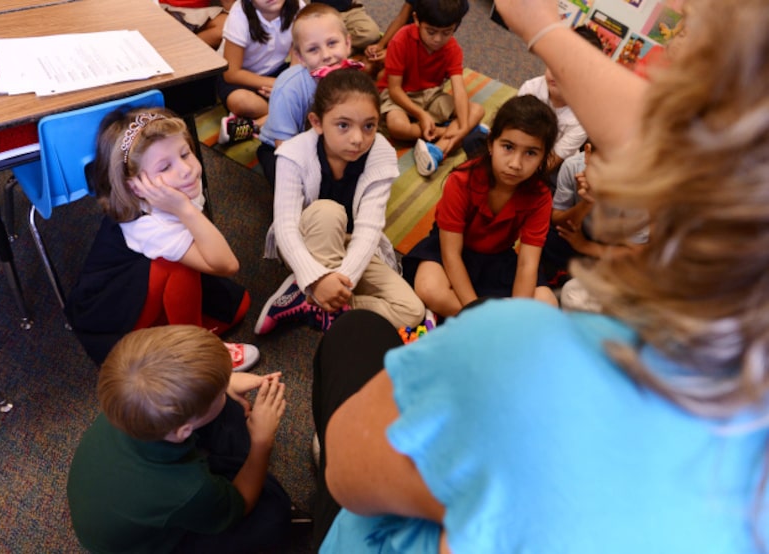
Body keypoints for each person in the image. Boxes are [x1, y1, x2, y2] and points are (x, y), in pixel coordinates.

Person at [314, 0, 769, 551]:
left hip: (426, 439)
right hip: (484, 289)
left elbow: (351, 473)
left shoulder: (523, 342)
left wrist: (489, 335)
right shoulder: (741, 476)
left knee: (359, 339)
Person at [67, 325, 292, 553]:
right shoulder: (191, 488)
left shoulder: (130, 404)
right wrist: (261, 444)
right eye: (221, 389)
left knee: (230, 412)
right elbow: (241, 505)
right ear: (183, 431)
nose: (227, 385)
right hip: (152, 545)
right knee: (273, 514)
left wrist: (225, 385)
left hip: (125, 492)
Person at [65, 107, 257, 372]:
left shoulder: (172, 191)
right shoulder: (149, 224)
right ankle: (193, 355)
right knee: (176, 264)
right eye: (165, 166)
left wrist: (183, 208)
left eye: (185, 153)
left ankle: (169, 340)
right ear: (136, 186)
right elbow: (228, 265)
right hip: (110, 310)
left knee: (237, 307)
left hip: (143, 285)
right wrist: (185, 210)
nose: (186, 170)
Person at [256, 69, 425, 335]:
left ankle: (307, 300)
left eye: (369, 125)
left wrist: (340, 285)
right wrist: (315, 276)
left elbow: (369, 229)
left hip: (351, 244)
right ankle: (320, 293)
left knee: (412, 311)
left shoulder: (380, 153)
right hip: (306, 241)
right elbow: (286, 228)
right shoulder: (293, 154)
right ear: (317, 122)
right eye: (343, 125)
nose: (358, 138)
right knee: (328, 212)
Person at [402, 95, 560, 318]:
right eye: (508, 147)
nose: (515, 164)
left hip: (498, 259)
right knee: (429, 288)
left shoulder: (540, 196)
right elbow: (451, 254)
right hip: (451, 250)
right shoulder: (461, 181)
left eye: (531, 153)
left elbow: (527, 264)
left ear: (544, 157)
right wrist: (476, 313)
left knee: (547, 304)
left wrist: (517, 314)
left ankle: (492, 321)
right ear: (491, 144)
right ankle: (490, 321)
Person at [375, 0, 485, 177]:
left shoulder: (452, 48)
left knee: (477, 110)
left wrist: (463, 124)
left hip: (431, 94)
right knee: (397, 126)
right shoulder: (401, 39)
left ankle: (438, 150)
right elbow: (394, 90)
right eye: (431, 32)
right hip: (399, 95)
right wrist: (422, 115)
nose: (437, 39)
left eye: (446, 33)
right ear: (417, 20)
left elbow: (459, 88)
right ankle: (454, 133)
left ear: (455, 27)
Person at [256, 3, 357, 186]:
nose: (326, 56)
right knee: (290, 182)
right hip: (281, 147)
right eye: (313, 49)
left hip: (328, 142)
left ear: (348, 44)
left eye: (332, 43)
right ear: (300, 57)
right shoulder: (288, 88)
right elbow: (285, 149)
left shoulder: (354, 79)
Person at [540, 141, 648, 289]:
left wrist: (585, 246)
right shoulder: (572, 166)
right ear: (588, 153)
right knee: (549, 238)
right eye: (605, 163)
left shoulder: (638, 186)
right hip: (578, 232)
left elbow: (637, 251)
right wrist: (586, 203)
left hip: (615, 246)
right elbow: (557, 219)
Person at [517, 25, 602, 177]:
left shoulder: (584, 117)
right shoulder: (531, 88)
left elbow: (551, 162)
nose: (556, 72)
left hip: (553, 166)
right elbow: (512, 131)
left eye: (567, 70)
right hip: (520, 150)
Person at [215, 0, 303, 144]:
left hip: (277, 72)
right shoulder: (240, 15)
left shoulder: (298, 8)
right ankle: (288, 115)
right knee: (241, 101)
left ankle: (255, 125)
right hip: (241, 78)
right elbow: (231, 74)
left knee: (314, 83)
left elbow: (297, 59)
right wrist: (279, 86)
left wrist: (287, 85)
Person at [159, 0, 235, 49]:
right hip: (162, 7)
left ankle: (184, 51)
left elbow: (229, 6)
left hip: (200, 12)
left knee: (227, 28)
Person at [310, 0, 380, 53]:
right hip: (323, 12)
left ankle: (340, 50)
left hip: (351, 9)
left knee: (370, 34)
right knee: (318, 38)